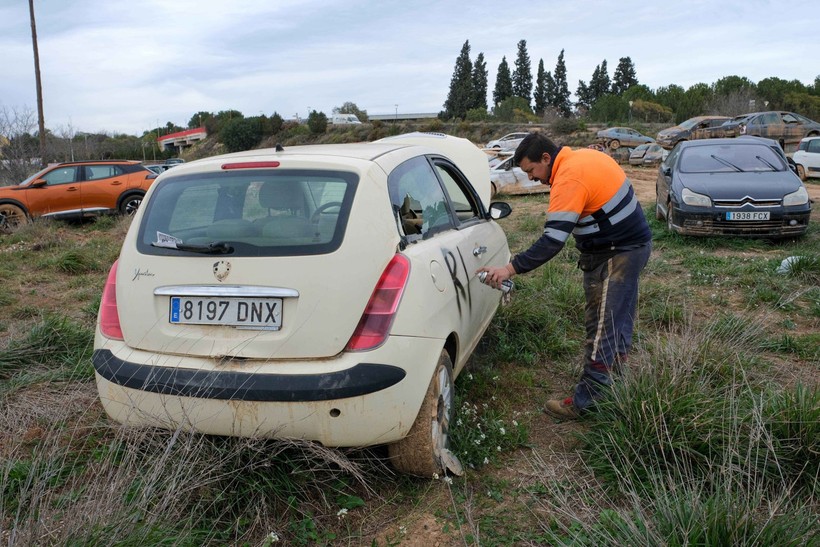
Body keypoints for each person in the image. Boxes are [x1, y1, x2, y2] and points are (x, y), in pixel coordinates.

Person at [478, 132, 652, 419]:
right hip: (634, 246)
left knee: (601, 327)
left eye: (532, 170)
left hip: (616, 253)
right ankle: (616, 381)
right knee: (619, 320)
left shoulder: (569, 177)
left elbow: (552, 241)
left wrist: (510, 268)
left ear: (546, 158)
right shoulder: (584, 157)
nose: (532, 178)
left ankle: (588, 402)